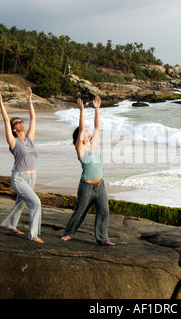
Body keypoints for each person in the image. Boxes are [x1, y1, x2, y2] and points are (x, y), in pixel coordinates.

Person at [61, 96, 115, 246]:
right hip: (87, 186)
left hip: (100, 184)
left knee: (104, 211)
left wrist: (97, 109)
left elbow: (97, 127)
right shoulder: (81, 149)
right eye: (84, 131)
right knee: (80, 211)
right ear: (80, 135)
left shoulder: (94, 144)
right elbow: (82, 130)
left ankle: (103, 239)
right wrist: (82, 111)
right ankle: (68, 233)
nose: (87, 131)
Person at [0, 87, 43, 244]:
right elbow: (5, 119)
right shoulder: (13, 141)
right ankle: (33, 234)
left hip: (32, 176)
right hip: (19, 177)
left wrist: (30, 100)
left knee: (21, 202)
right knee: (36, 203)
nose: (22, 123)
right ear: (14, 128)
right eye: (18, 122)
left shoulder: (29, 138)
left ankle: (11, 225)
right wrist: (1, 102)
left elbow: (34, 119)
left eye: (22, 121)